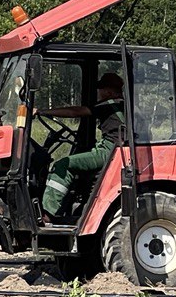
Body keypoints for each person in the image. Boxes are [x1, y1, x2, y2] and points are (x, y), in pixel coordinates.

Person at [40, 72, 126, 220]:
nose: (98, 92)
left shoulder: (111, 104)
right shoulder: (121, 105)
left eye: (101, 89)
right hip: (112, 148)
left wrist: (43, 111)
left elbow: (76, 112)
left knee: (63, 164)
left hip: (110, 151)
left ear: (109, 91)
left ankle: (48, 213)